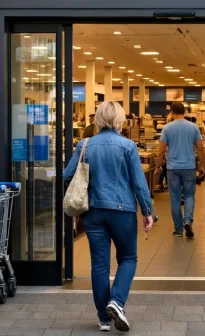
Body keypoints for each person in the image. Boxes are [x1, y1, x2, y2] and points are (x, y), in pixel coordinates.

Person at [64, 101, 155, 333]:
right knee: (128, 258)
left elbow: (67, 176)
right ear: (119, 120)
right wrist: (147, 212)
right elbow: (138, 183)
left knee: (100, 265)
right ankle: (117, 301)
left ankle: (103, 319)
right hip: (122, 211)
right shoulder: (128, 146)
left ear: (98, 119)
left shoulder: (84, 144)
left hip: (93, 212)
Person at [155, 102, 205, 238]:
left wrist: (157, 166)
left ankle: (178, 229)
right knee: (189, 195)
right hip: (189, 167)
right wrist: (202, 165)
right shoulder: (193, 127)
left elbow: (161, 151)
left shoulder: (167, 128)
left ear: (172, 112)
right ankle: (188, 221)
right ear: (184, 112)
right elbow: (200, 148)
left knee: (175, 198)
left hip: (172, 168)